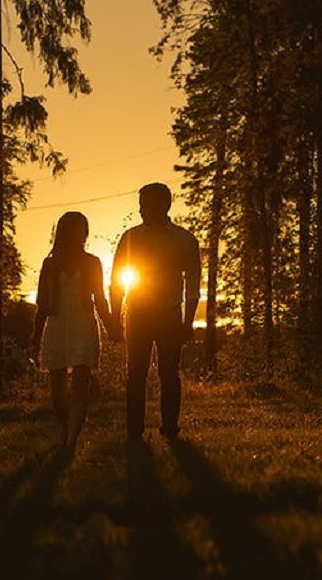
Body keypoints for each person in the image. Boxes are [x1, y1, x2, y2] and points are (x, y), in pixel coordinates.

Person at [110, 182, 202, 440]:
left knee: (169, 373)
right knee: (135, 374)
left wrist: (188, 321)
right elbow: (117, 279)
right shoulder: (131, 238)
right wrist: (115, 316)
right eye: (140, 205)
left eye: (146, 205)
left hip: (169, 313)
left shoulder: (184, 240)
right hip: (137, 313)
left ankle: (170, 428)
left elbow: (193, 283)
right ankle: (134, 430)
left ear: (164, 205)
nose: (141, 211)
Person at [28, 212, 116, 451]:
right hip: (57, 325)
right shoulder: (49, 264)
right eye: (71, 229)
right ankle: (66, 428)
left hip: (83, 324)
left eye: (80, 229)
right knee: (57, 389)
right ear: (63, 232)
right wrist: (35, 337)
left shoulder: (92, 262)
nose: (77, 234)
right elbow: (42, 303)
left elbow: (100, 298)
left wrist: (110, 326)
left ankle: (71, 439)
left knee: (80, 384)